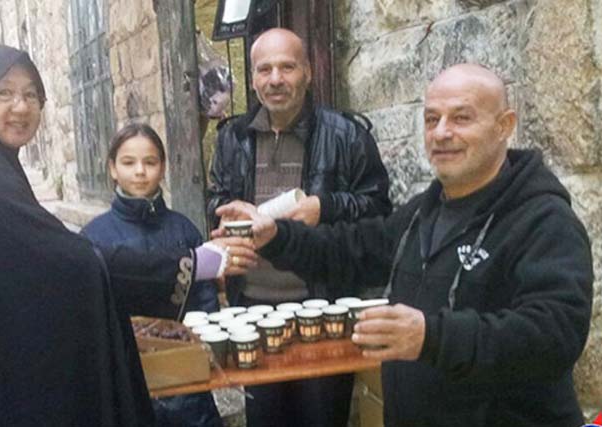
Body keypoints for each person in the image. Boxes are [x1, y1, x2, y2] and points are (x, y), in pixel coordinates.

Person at [216, 63, 594, 427]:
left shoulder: (543, 220)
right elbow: (351, 249)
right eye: (432, 119)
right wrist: (276, 236)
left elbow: (554, 335)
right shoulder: (424, 211)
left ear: (504, 127)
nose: (442, 133)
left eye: (461, 118)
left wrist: (430, 336)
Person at [0, 46, 256, 426]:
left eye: (31, 94)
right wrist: (197, 262)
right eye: (4, 92)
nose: (21, 106)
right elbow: (71, 262)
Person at [206, 27, 392, 427]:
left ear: (307, 71)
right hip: (251, 313)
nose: (276, 79)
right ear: (252, 78)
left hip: (323, 310)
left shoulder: (346, 134)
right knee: (266, 419)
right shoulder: (232, 138)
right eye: (265, 69)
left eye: (287, 67)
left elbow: (379, 210)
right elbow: (216, 199)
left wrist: (324, 206)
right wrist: (223, 215)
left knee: (322, 418)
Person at [81, 123, 223, 427]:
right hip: (128, 376)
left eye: (150, 162)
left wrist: (204, 349)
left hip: (187, 379)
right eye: (128, 162)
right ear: (112, 168)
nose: (140, 172)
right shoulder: (94, 237)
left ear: (163, 167)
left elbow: (205, 299)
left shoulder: (183, 229)